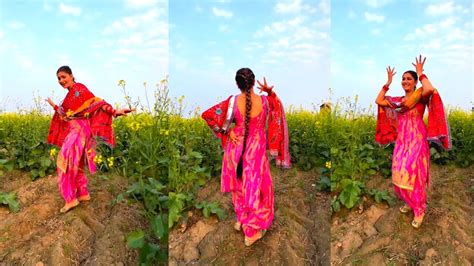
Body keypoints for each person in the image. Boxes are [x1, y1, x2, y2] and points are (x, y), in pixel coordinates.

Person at [202, 68, 291, 246]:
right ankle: (251, 231)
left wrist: (227, 131)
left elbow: (208, 115)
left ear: (237, 84)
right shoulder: (266, 101)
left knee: (239, 187)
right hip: (255, 151)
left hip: (235, 149)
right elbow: (278, 108)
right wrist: (270, 92)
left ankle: (242, 220)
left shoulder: (232, 102)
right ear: (254, 82)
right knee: (255, 188)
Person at [375, 55, 451, 228]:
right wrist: (387, 83)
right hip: (402, 142)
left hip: (417, 140)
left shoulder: (419, 97)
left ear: (415, 82)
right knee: (398, 173)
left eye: (409, 78)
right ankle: (410, 202)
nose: (405, 81)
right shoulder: (398, 102)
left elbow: (430, 89)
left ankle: (419, 209)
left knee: (413, 174)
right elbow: (378, 100)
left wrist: (421, 73)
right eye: (403, 79)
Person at [46, 66, 133, 213]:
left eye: (63, 77)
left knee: (64, 163)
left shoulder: (79, 89)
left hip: (78, 132)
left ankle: (70, 199)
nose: (61, 80)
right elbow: (66, 115)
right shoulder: (69, 97)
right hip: (79, 132)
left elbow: (97, 103)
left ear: (72, 75)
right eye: (59, 78)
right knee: (77, 162)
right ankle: (83, 194)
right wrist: (55, 106)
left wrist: (115, 112)